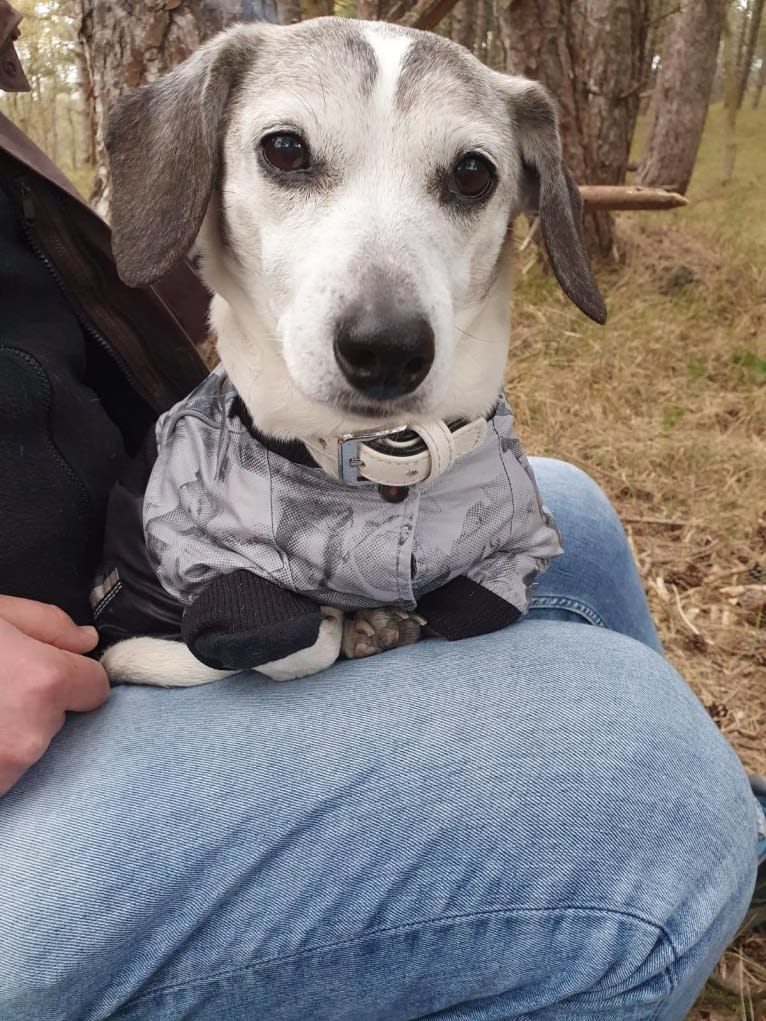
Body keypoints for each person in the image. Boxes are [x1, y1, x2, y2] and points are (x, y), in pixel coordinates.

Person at [0, 6, 764, 1018]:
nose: (385, 317)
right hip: (50, 741)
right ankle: (640, 881)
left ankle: (722, 866)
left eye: (465, 178)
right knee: (642, 769)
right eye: (290, 155)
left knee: (565, 507)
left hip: (112, 571)